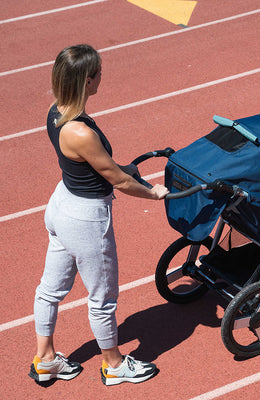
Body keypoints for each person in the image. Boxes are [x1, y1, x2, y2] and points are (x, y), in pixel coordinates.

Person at [29, 44, 169, 386]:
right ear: (86, 81)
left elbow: (95, 166)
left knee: (50, 290)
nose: (102, 77)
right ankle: (114, 364)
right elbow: (117, 181)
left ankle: (45, 360)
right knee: (103, 298)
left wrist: (126, 166)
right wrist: (153, 191)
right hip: (86, 219)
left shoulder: (57, 111)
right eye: (99, 73)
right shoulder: (80, 131)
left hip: (62, 205)